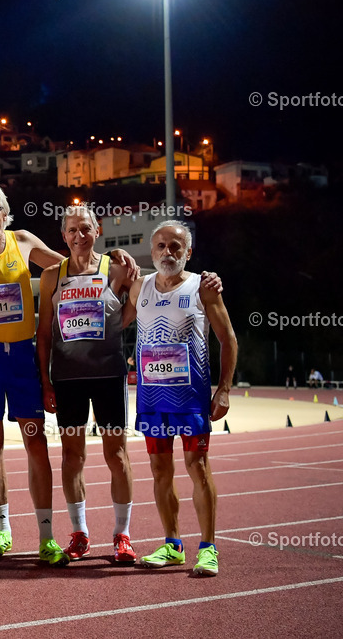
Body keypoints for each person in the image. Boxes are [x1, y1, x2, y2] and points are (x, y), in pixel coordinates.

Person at [0, 184, 138, 567]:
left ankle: (46, 536)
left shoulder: (23, 241)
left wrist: (115, 260)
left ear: (6, 213)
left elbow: (71, 266)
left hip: (23, 357)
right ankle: (3, 529)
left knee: (36, 443)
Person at [126, 220, 237, 577]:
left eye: (176, 247)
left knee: (197, 468)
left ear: (188, 253)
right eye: (161, 246)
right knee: (159, 471)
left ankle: (208, 548)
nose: (168, 253)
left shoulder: (202, 287)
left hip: (190, 399)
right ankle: (172, 545)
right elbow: (113, 321)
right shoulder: (138, 287)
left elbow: (229, 340)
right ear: (151, 250)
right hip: (152, 398)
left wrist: (224, 389)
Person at [35, 205, 138, 564]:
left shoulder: (117, 267)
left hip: (108, 376)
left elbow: (142, 295)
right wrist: (46, 381)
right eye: (72, 231)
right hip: (68, 379)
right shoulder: (52, 276)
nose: (79, 236)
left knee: (117, 455)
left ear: (98, 230)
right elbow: (44, 334)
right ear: (63, 236)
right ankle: (80, 534)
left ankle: (122, 535)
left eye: (85, 229)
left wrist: (119, 322)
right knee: (72, 457)